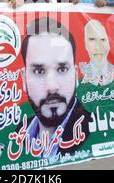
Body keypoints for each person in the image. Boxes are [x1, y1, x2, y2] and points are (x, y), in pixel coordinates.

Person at [18, 17, 92, 158]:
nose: (52, 87)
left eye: (62, 69)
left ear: (76, 76)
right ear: (23, 79)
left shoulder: (94, 129)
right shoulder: (17, 133)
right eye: (39, 71)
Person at [79, 19, 114, 86]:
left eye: (103, 40)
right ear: (85, 44)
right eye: (92, 40)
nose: (98, 47)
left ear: (109, 44)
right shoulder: (79, 74)